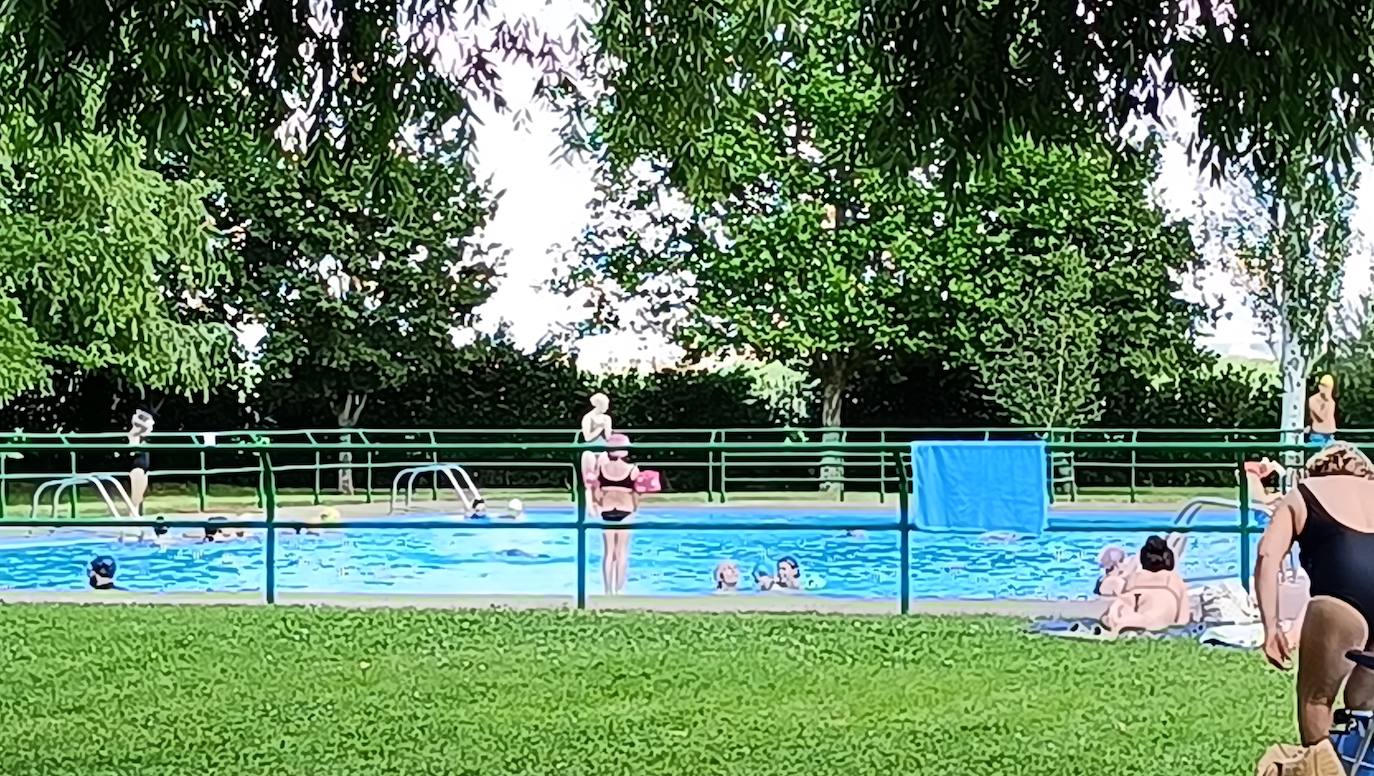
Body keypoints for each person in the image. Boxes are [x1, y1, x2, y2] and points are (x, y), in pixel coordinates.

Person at [1256, 442, 1374, 746]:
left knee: (1316, 700)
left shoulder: (1304, 492)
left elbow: (1268, 556)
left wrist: (1271, 627)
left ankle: (1320, 765)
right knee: (1363, 699)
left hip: (1342, 595)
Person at [1100, 536, 1189, 633]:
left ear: (1143, 561)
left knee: (1124, 604)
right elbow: (1183, 620)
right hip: (1159, 623)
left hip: (1128, 618)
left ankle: (1122, 623)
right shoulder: (1175, 581)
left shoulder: (1134, 578)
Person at [590, 433, 639, 595]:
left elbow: (596, 495)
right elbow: (636, 494)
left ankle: (607, 590)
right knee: (622, 552)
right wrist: (635, 509)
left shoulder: (601, 469)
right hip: (626, 510)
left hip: (607, 510)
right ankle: (619, 590)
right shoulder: (633, 470)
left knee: (608, 553)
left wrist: (600, 502)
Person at [580, 393, 613, 490]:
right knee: (589, 480)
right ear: (599, 404)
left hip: (603, 451)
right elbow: (587, 438)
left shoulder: (607, 418)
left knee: (603, 480)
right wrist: (600, 428)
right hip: (590, 451)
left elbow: (608, 438)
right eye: (605, 404)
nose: (607, 407)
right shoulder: (588, 417)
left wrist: (607, 428)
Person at [126, 408, 154, 516]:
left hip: (144, 468)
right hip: (137, 468)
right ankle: (132, 516)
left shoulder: (144, 437)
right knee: (136, 496)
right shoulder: (134, 433)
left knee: (140, 494)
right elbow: (139, 423)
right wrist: (142, 418)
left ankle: (135, 515)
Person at [1308, 374, 1338, 448]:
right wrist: (1326, 402)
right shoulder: (1313, 400)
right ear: (1319, 386)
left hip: (1330, 434)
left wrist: (1328, 401)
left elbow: (1330, 418)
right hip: (1318, 435)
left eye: (1329, 387)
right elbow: (1321, 418)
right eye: (1324, 386)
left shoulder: (1331, 401)